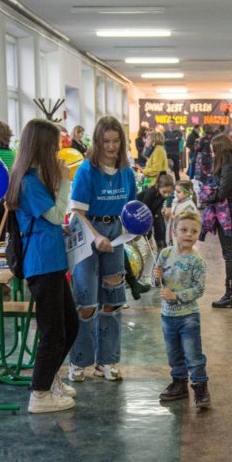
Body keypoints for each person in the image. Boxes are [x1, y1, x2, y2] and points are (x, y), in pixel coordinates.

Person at [4, 119, 78, 413]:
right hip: (41, 263)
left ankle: (48, 379)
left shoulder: (33, 177)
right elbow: (57, 215)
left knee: (70, 325)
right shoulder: (28, 182)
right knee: (52, 332)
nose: (57, 153)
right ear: (41, 147)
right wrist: (65, 180)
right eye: (54, 147)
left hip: (52, 261)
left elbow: (49, 221)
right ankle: (40, 393)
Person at [67, 116, 136, 382]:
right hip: (87, 233)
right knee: (86, 303)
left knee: (113, 301)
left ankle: (106, 361)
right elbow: (77, 212)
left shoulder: (127, 172)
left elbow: (132, 208)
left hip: (115, 234)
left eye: (115, 141)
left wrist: (134, 230)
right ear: (97, 142)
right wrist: (96, 236)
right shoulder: (86, 170)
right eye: (105, 141)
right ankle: (78, 361)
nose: (111, 146)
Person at [153, 211, 210, 408]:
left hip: (188, 316)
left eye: (194, 231)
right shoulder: (165, 254)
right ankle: (179, 383)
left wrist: (176, 295)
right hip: (167, 316)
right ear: (174, 231)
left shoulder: (197, 261)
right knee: (174, 353)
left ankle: (200, 387)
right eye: (184, 230)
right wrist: (156, 276)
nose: (188, 234)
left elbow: (199, 289)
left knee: (193, 355)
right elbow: (155, 282)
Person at [208, 133, 232, 308]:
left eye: (213, 151)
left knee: (229, 255)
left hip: (227, 215)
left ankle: (231, 295)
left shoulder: (228, 167)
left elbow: (221, 193)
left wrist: (206, 193)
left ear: (220, 150)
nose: (212, 154)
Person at [139, 171, 174, 249]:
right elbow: (144, 214)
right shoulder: (151, 193)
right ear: (159, 187)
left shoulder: (161, 194)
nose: (166, 195)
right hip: (139, 213)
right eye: (164, 192)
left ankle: (161, 245)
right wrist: (148, 235)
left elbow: (157, 212)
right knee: (146, 238)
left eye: (169, 192)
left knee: (160, 226)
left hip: (150, 212)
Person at [164, 179, 198, 247]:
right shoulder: (176, 202)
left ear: (187, 192)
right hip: (173, 239)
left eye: (178, 192)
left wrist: (173, 216)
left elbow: (188, 224)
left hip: (182, 242)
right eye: (175, 192)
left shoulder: (189, 206)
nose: (176, 194)